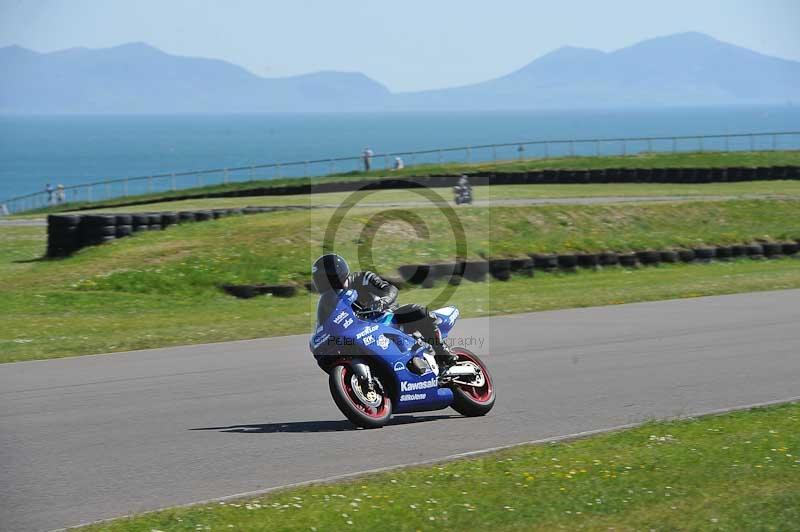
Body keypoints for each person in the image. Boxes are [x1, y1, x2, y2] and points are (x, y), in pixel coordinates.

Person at [312, 253, 456, 365]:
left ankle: (442, 352)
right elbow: (326, 323)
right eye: (319, 280)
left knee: (417, 311)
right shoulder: (327, 301)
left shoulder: (362, 278)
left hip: (387, 318)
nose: (323, 283)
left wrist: (383, 301)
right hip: (359, 332)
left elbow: (390, 289)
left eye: (324, 279)